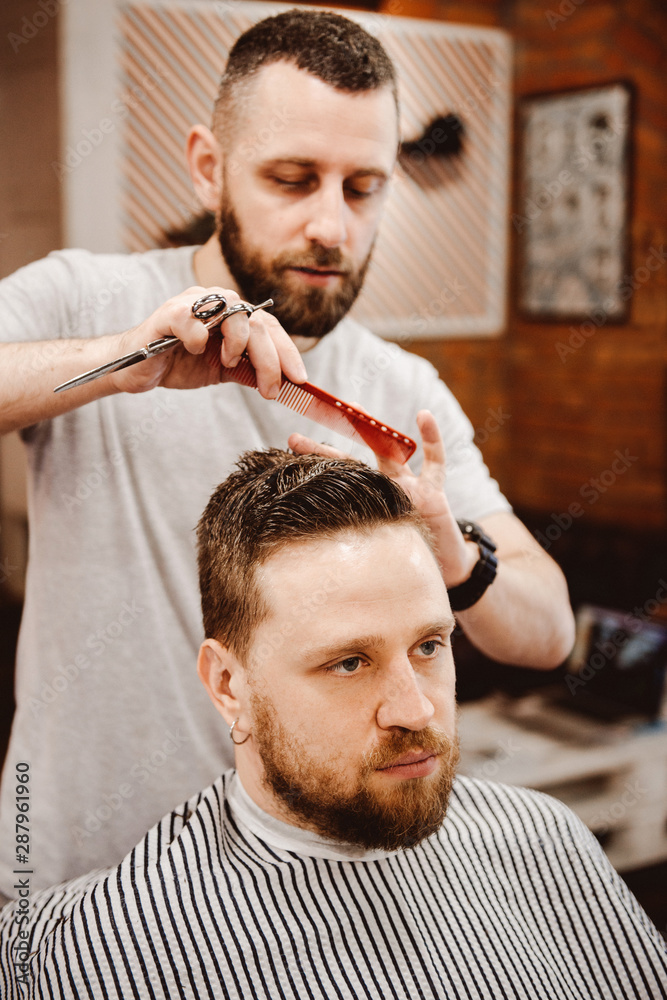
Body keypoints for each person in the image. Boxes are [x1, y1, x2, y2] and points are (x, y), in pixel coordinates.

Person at [0, 9, 574, 897]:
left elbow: (550, 630)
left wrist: (450, 550)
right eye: (293, 179)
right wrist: (119, 365)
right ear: (209, 165)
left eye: (363, 187)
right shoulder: (85, 298)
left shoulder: (402, 391)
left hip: (316, 895)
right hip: (75, 870)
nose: (331, 227)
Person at [0, 449, 663, 1000]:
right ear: (228, 686)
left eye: (429, 646)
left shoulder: (545, 840)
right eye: (349, 662)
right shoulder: (81, 955)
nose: (415, 710)